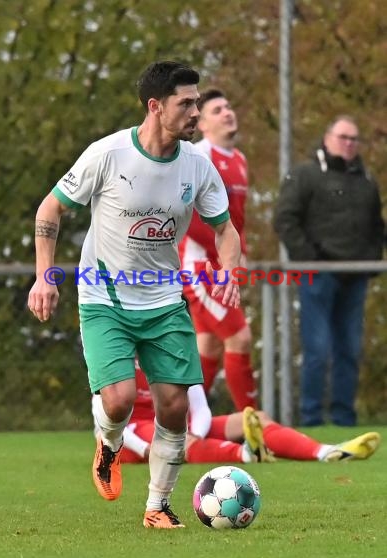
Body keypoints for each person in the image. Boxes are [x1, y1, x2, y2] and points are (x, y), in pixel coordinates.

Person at [28, 61, 242, 529]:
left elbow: (225, 229)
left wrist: (229, 271)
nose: (195, 111)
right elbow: (51, 208)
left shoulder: (197, 168)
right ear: (155, 106)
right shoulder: (107, 154)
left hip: (164, 299)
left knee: (174, 406)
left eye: (197, 101)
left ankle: (157, 507)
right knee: (120, 400)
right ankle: (108, 444)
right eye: (185, 103)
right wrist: (45, 277)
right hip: (104, 297)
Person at [274, 115, 385, 427]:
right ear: (327, 137)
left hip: (355, 276)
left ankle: (343, 419)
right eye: (343, 137)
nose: (349, 143)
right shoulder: (305, 174)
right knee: (317, 350)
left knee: (349, 349)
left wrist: (372, 260)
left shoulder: (366, 180)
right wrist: (310, 260)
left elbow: (377, 226)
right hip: (317, 275)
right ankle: (310, 419)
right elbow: (285, 219)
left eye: (354, 138)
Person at [92, 363, 381, 464]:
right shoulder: (113, 349)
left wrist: (195, 432)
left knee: (256, 417)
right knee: (178, 442)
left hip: (174, 424)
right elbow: (103, 420)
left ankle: (325, 451)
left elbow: (200, 407)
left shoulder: (172, 344)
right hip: (129, 438)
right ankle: (245, 455)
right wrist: (146, 449)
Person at [179, 88, 257, 411]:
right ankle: (252, 422)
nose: (227, 112)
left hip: (224, 267)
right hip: (200, 267)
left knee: (208, 346)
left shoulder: (239, 160)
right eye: (217, 110)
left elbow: (236, 218)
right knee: (240, 337)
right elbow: (186, 215)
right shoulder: (198, 157)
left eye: (228, 106)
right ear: (203, 125)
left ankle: (182, 425)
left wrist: (242, 252)